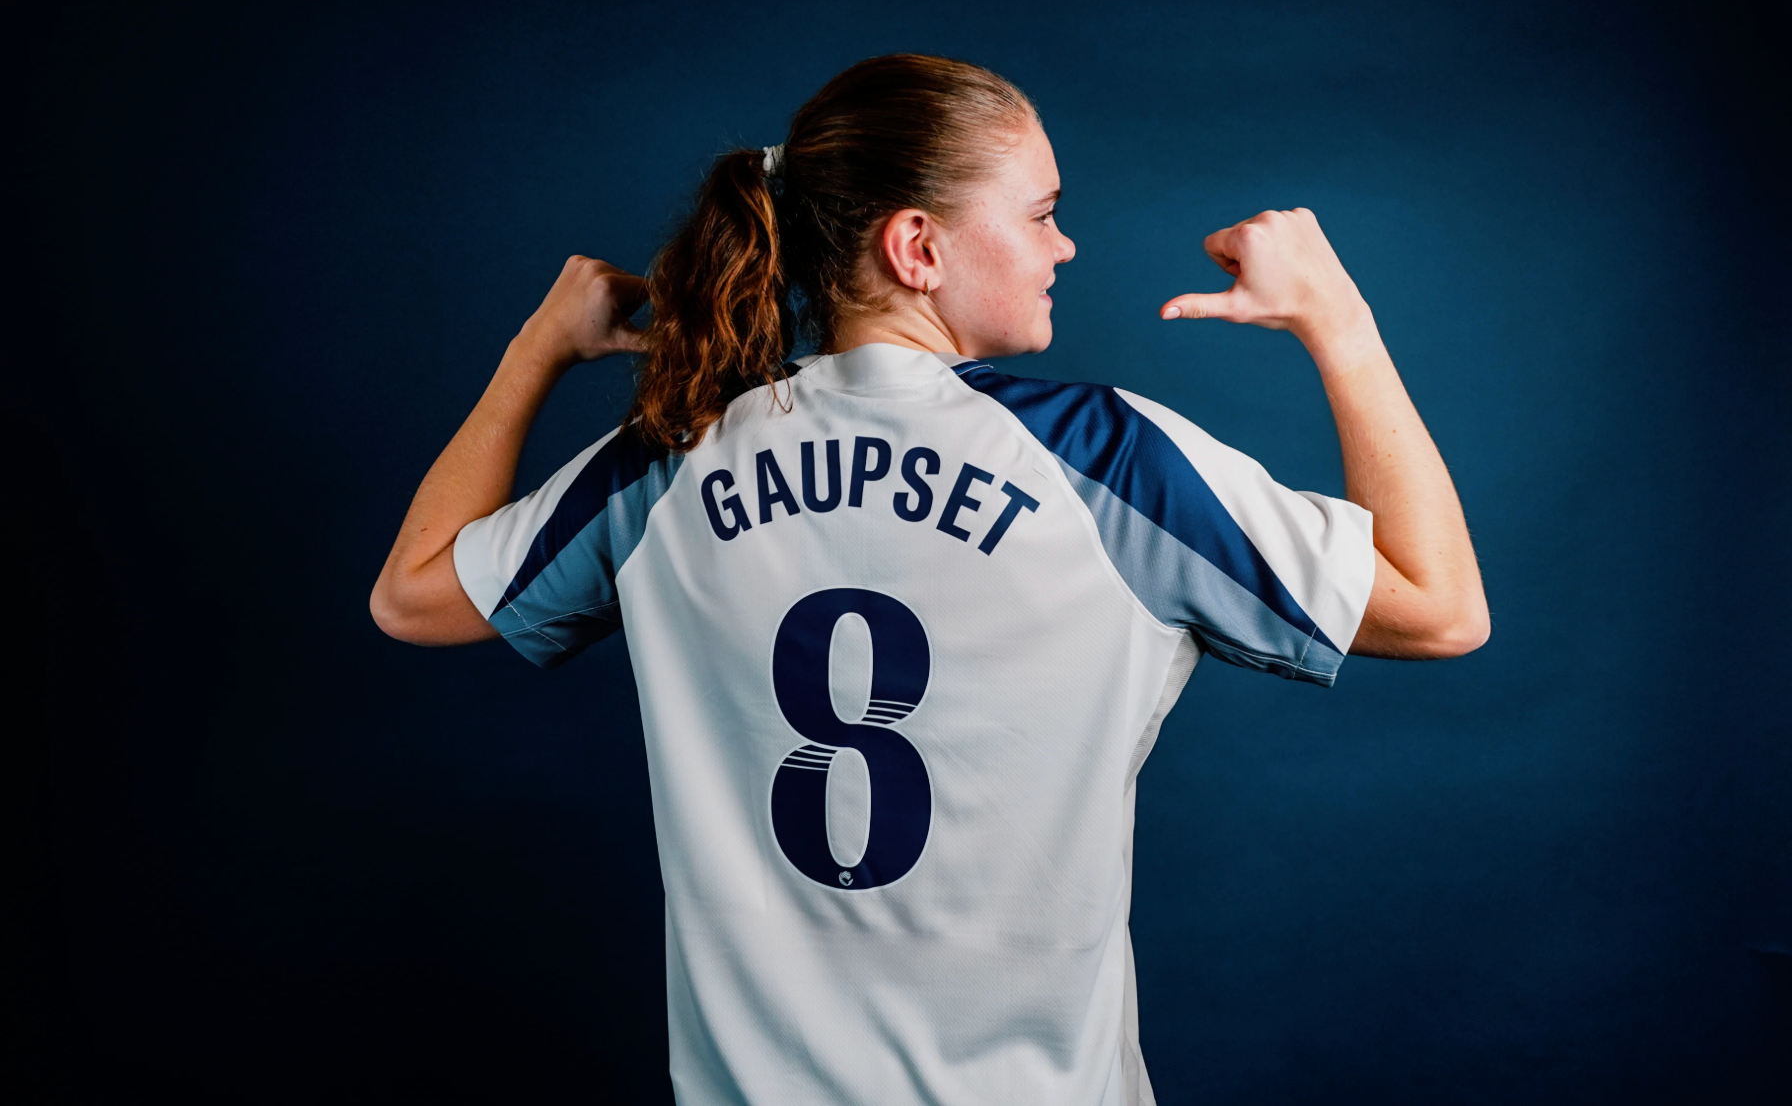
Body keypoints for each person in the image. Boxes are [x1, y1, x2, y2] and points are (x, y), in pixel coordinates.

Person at [370, 53, 1488, 1106]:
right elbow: (1439, 612)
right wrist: (1338, 322)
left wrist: (540, 348)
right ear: (917, 248)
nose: (1066, 248)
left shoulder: (672, 455)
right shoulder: (1107, 458)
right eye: (1042, 216)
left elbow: (411, 597)